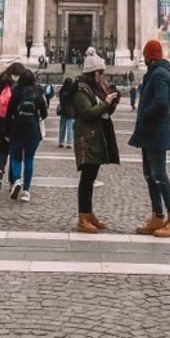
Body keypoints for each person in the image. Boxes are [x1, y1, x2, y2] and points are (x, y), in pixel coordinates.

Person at [129, 39, 170, 238]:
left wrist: (146, 115)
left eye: (145, 55)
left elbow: (160, 103)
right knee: (150, 175)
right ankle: (158, 216)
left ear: (149, 57)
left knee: (159, 174)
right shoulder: (155, 73)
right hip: (150, 133)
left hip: (156, 132)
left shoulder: (159, 75)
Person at [72, 47, 120, 233]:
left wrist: (111, 104)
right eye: (101, 73)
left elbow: (102, 111)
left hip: (96, 137)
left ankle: (88, 213)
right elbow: (88, 113)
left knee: (90, 177)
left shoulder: (95, 88)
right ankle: (83, 217)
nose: (103, 76)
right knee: (87, 178)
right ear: (93, 73)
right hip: (87, 139)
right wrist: (106, 103)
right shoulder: (80, 90)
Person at [4, 68, 48, 201]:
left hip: (17, 129)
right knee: (29, 159)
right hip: (33, 130)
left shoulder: (16, 92)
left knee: (16, 158)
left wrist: (7, 131)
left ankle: (17, 180)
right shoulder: (38, 92)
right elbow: (44, 113)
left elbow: (9, 113)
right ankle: (26, 192)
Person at [0, 61, 23, 190]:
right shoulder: (21, 84)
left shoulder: (1, 81)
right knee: (14, 152)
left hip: (0, 120)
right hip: (15, 122)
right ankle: (12, 181)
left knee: (2, 149)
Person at [57, 77, 76, 147]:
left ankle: (61, 141)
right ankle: (69, 142)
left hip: (63, 110)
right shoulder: (72, 91)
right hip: (71, 111)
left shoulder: (62, 90)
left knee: (62, 127)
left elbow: (61, 100)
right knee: (70, 127)